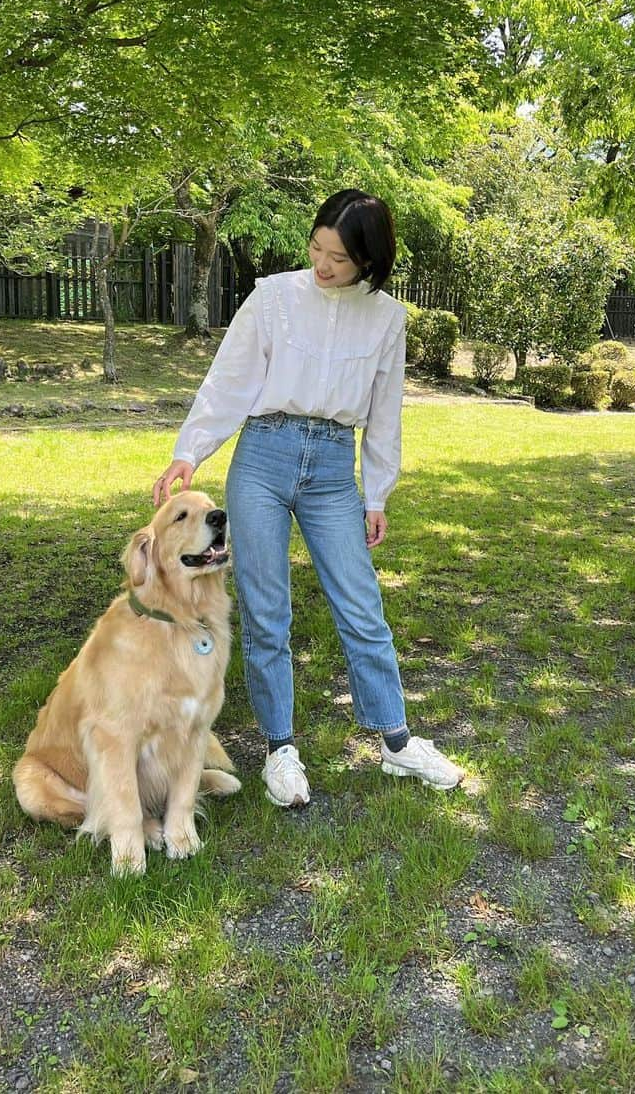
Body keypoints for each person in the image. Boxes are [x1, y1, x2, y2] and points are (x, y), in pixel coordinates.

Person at [152, 188, 463, 808]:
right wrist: (191, 450)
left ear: (369, 262)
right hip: (263, 456)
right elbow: (229, 381)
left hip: (330, 467)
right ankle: (279, 749)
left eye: (340, 258)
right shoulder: (273, 298)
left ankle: (397, 741)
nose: (323, 265)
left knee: (361, 604)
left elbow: (384, 414)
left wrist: (376, 493)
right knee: (268, 612)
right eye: (317, 248)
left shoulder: (387, 319)